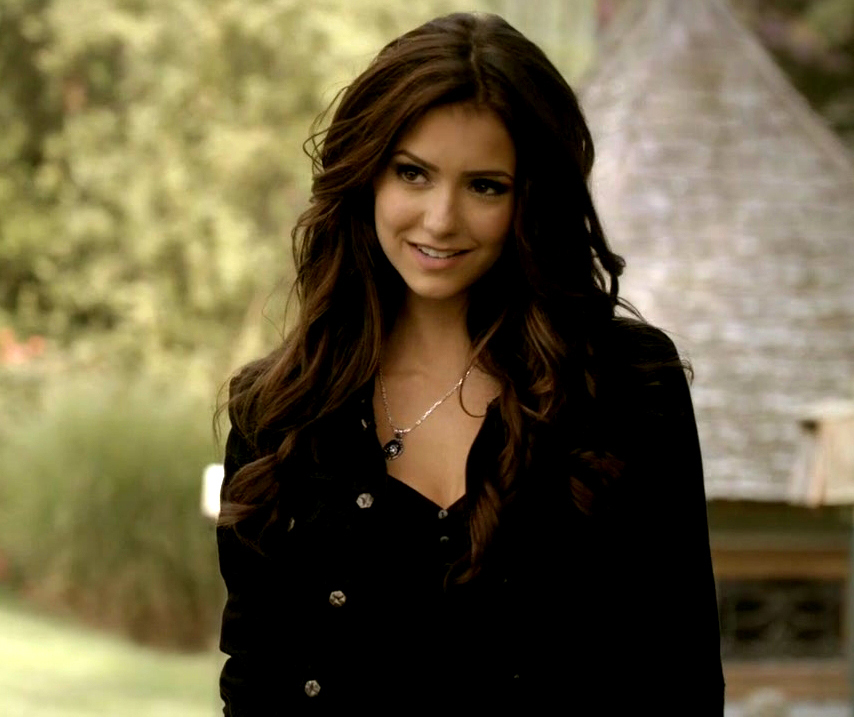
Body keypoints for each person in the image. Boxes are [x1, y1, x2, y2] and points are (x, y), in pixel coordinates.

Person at [216, 11, 725, 715]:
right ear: (366, 176)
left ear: (531, 199)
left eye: (485, 185)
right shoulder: (281, 410)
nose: (441, 219)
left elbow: (682, 672)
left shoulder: (626, 384)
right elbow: (256, 679)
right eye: (413, 173)